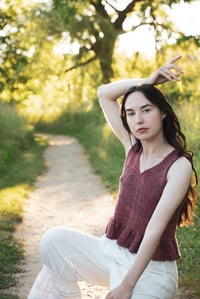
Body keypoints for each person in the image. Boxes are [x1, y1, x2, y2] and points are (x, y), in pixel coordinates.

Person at [28, 55, 198, 299]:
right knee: (54, 241)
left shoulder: (178, 166)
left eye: (146, 110)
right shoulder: (132, 147)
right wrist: (148, 81)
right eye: (130, 113)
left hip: (150, 270)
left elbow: (154, 231)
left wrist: (127, 286)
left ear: (162, 112)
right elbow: (104, 93)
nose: (138, 119)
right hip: (111, 252)